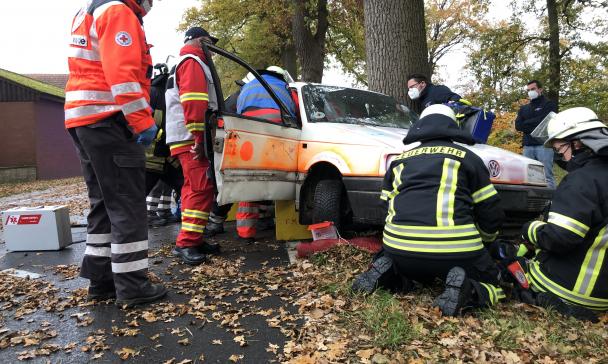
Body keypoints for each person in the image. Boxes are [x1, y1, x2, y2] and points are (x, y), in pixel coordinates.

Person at [352, 104, 506, 317]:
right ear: (454, 126)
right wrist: (486, 241)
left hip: (400, 249)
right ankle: (469, 289)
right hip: (457, 252)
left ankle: (392, 273)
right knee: (496, 282)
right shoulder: (468, 158)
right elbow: (490, 209)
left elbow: (384, 207)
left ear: (421, 127)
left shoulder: (399, 161)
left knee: (404, 266)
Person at [64, 0, 167, 307]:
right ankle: (132, 285)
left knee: (104, 204)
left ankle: (102, 281)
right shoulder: (118, 11)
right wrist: (142, 122)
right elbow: (122, 73)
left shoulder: (89, 9)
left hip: (84, 120)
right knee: (127, 204)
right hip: (109, 119)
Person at [518, 107, 608, 321]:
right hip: (604, 296)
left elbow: (561, 237)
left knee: (511, 265)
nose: (561, 157)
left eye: (560, 149)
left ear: (577, 143)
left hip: (569, 288)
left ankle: (545, 299)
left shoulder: (583, 180)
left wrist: (530, 229)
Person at [165, 27, 220, 265]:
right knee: (200, 187)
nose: (213, 50)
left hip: (185, 136)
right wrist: (199, 137)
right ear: (199, 41)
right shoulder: (193, 61)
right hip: (191, 138)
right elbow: (195, 102)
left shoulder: (185, 61)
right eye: (209, 43)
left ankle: (194, 238)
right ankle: (186, 242)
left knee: (195, 187)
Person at [235, 66, 296, 242]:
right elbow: (294, 113)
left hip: (249, 138)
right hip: (278, 136)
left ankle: (246, 233)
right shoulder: (285, 87)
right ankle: (278, 221)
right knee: (279, 178)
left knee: (251, 181)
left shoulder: (247, 87)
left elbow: (238, 113)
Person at [515, 80, 558, 188]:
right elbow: (518, 126)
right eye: (528, 90)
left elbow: (546, 121)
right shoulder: (524, 109)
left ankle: (552, 203)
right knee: (530, 178)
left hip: (544, 145)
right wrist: (535, 123)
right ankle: (534, 204)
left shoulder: (549, 104)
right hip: (527, 147)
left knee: (547, 176)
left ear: (540, 89)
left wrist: (527, 123)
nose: (530, 92)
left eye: (533, 89)